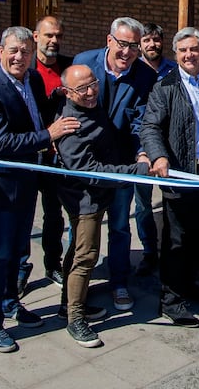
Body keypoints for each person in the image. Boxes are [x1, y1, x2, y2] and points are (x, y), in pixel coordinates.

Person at [0, 26, 79, 353]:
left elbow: (34, 114)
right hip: (0, 186)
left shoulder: (30, 79)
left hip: (25, 182)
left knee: (18, 251)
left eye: (25, 52)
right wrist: (50, 134)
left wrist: (56, 99)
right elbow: (1, 141)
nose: (19, 57)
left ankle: (11, 303)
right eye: (13, 50)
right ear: (1, 51)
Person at [139, 27, 199, 326]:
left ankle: (190, 285)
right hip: (180, 173)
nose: (188, 55)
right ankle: (171, 300)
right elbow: (150, 127)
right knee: (176, 240)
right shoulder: (165, 87)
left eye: (193, 49)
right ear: (176, 54)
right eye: (182, 51)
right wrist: (159, 156)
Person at [55, 63, 150, 348]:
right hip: (85, 201)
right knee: (85, 256)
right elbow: (90, 170)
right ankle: (75, 320)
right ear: (67, 92)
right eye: (81, 88)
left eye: (92, 83)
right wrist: (136, 171)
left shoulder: (93, 108)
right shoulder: (70, 125)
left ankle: (70, 305)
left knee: (77, 253)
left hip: (100, 196)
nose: (90, 91)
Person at [73, 17, 155, 312]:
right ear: (109, 41)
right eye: (122, 44)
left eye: (134, 46)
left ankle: (119, 281)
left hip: (122, 165)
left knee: (120, 226)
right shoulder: (84, 63)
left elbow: (142, 120)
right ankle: (76, 290)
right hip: (88, 164)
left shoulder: (145, 76)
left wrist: (143, 152)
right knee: (82, 227)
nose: (127, 52)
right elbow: (69, 106)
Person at [18, 15, 70, 295]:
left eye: (58, 36)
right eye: (49, 35)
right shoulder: (25, 69)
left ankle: (53, 264)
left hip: (54, 157)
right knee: (24, 216)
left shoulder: (68, 67)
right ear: (35, 37)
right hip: (28, 154)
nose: (54, 41)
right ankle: (20, 268)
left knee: (54, 215)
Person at [132, 21, 176, 276]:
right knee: (143, 204)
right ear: (140, 44)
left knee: (172, 201)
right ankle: (149, 251)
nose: (152, 44)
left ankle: (172, 250)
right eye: (147, 40)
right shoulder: (134, 71)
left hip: (170, 147)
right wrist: (143, 150)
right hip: (142, 150)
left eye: (156, 39)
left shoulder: (173, 70)